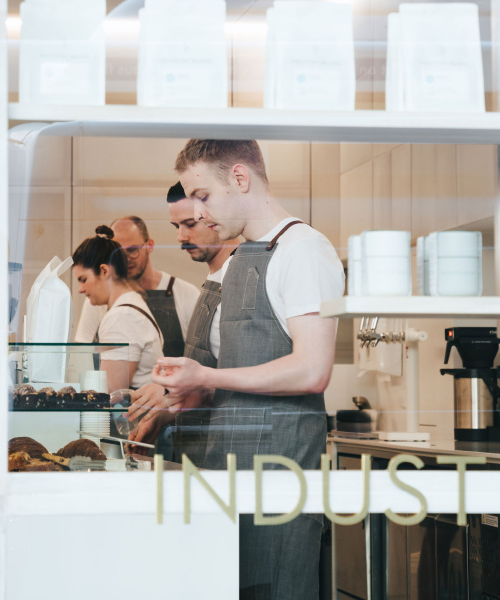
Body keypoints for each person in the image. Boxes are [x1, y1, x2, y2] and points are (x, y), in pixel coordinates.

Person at [151, 140, 345, 600]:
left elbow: (312, 370)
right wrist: (197, 391)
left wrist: (207, 377)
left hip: (279, 479)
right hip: (231, 472)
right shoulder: (243, 258)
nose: (198, 212)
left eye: (202, 196)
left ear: (240, 178)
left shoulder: (304, 250)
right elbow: (247, 366)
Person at [127, 182, 239, 461]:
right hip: (196, 452)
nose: (180, 237)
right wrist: (162, 412)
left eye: (189, 224)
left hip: (232, 453)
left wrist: (168, 392)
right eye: (176, 226)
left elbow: (246, 380)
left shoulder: (243, 283)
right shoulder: (210, 285)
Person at [74, 216, 200, 358]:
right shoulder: (97, 299)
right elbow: (81, 354)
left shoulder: (186, 294)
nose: (125, 258)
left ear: (149, 245)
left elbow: (198, 358)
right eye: (119, 252)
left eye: (132, 250)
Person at [71, 225, 164, 391]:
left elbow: (112, 394)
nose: (81, 289)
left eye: (83, 280)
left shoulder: (121, 317)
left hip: (137, 408)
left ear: (104, 271)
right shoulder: (131, 303)